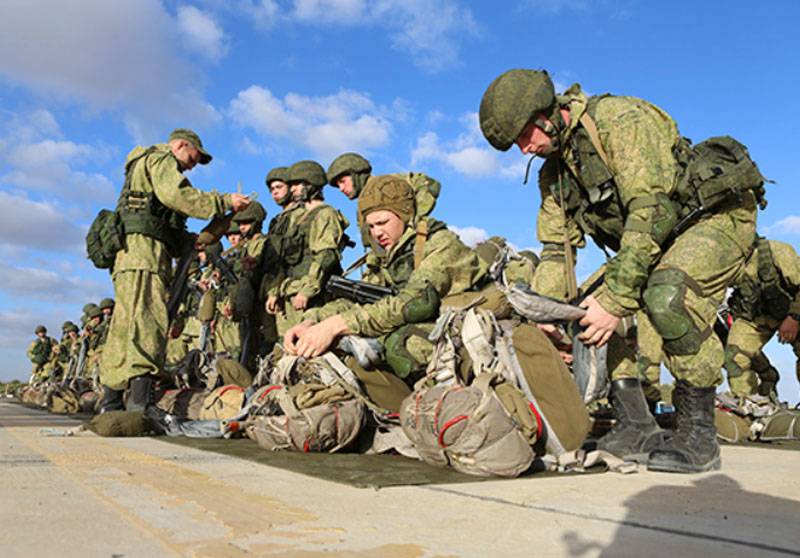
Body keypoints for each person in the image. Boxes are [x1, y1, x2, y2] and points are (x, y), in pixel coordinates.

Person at [478, 69, 764, 472]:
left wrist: (615, 301)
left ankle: (698, 434)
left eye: (526, 136)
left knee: (666, 297)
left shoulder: (619, 121)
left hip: (715, 220)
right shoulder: (554, 173)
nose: (524, 149)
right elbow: (556, 252)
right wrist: (547, 314)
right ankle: (635, 424)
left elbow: (651, 211)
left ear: (545, 114)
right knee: (583, 312)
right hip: (657, 240)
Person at [284, 175, 488, 410]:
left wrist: (335, 325)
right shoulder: (386, 256)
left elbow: (415, 302)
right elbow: (359, 302)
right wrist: (313, 321)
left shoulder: (439, 243)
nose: (377, 232)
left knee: (403, 343)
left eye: (382, 222)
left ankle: (442, 405)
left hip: (464, 332)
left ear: (404, 215)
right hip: (429, 326)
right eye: (370, 226)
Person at [100, 128, 250, 412]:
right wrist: (223, 202)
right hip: (144, 255)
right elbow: (176, 195)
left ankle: (111, 401)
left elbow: (163, 217)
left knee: (125, 325)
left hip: (133, 255)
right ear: (181, 145)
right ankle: (140, 403)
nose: (192, 166)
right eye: (193, 158)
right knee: (148, 321)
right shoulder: (161, 159)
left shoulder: (143, 165)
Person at [266, 161, 349, 335]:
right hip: (291, 291)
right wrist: (275, 292)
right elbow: (284, 261)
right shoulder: (297, 219)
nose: (293, 189)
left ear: (311, 184)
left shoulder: (325, 213)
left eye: (297, 184)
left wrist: (307, 290)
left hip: (312, 295)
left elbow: (326, 256)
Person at [724, 237, 800, 399]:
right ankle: (748, 406)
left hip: (793, 310)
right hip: (755, 317)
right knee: (734, 355)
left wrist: (794, 317)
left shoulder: (777, 251)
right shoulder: (726, 265)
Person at [326, 153, 441, 245]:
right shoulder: (362, 208)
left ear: (356, 174)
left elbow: (431, 185)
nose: (341, 188)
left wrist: (412, 220)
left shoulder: (390, 184)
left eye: (342, 182)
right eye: (338, 185)